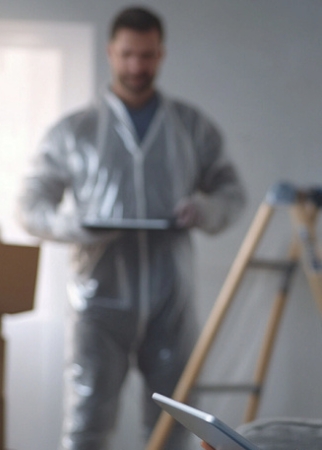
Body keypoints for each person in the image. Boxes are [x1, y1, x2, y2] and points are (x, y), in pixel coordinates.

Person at [16, 6, 246, 450]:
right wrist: (75, 225)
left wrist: (204, 208)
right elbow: (30, 205)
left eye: (146, 55)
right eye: (127, 55)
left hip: (170, 300)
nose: (136, 67)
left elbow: (231, 193)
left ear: (161, 54)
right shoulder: (74, 131)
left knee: (176, 423)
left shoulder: (190, 126)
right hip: (98, 303)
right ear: (110, 53)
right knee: (87, 421)